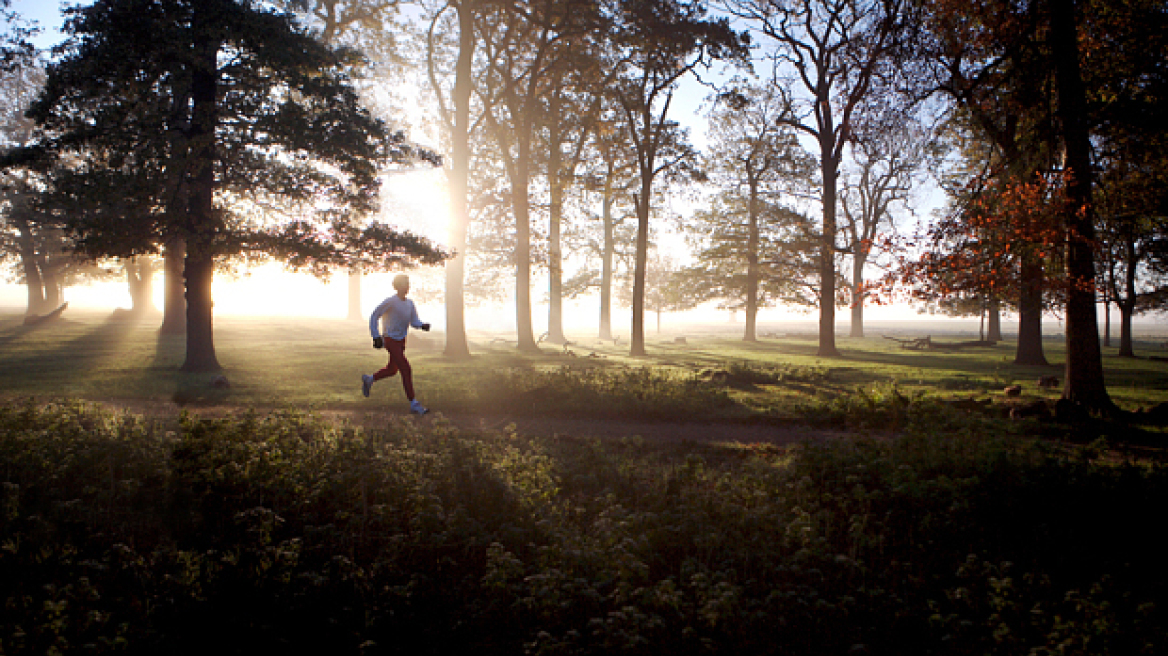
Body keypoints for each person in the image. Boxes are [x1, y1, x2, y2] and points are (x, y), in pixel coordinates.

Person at [362, 274, 430, 414]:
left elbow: (414, 321)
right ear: (397, 286)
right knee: (405, 368)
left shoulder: (409, 303)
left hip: (401, 340)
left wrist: (422, 325)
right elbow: (374, 315)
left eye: (408, 283)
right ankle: (414, 403)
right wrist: (375, 336)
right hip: (390, 339)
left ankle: (369, 379)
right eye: (404, 283)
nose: (407, 286)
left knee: (392, 370)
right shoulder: (391, 302)